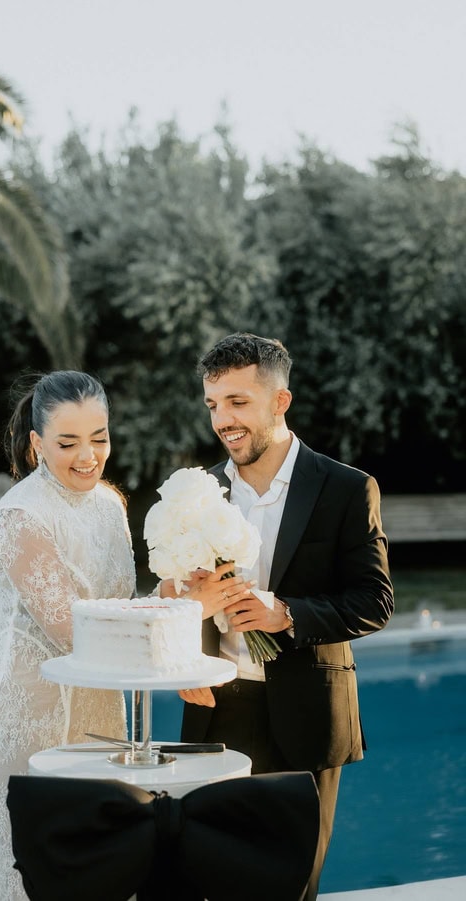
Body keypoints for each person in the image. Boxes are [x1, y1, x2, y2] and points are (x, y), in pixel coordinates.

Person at [177, 333, 394, 901]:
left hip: (307, 716)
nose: (222, 419)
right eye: (213, 405)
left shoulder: (346, 488)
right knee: (209, 881)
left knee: (290, 886)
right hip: (215, 710)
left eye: (238, 402)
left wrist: (286, 614)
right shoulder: (198, 495)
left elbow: (375, 602)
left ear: (281, 401)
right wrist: (184, 655)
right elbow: (176, 602)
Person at [0, 370, 135, 901]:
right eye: (68, 442)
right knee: (26, 863)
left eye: (99, 438)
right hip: (26, 712)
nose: (88, 455)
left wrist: (179, 588)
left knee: (103, 855)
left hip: (102, 708)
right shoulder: (20, 515)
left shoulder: (112, 505)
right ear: (36, 444)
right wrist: (178, 611)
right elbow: (72, 631)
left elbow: (121, 608)